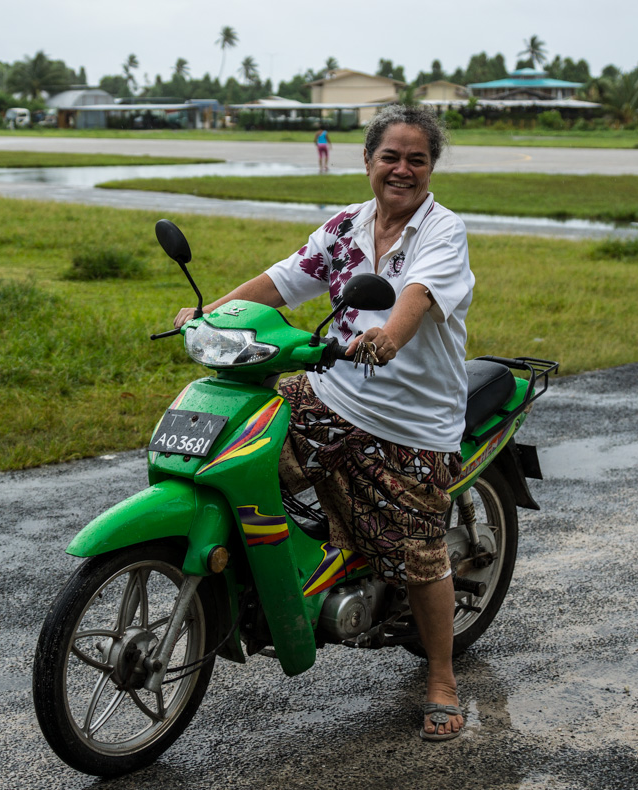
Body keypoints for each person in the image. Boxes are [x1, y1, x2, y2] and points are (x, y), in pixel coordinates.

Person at [174, 105, 474, 741]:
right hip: (328, 392)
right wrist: (208, 313)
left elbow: (416, 295)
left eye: (416, 158)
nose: (402, 169)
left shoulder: (442, 232)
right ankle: (296, 579)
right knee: (233, 462)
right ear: (367, 162)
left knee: (420, 552)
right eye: (389, 156)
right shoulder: (344, 227)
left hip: (407, 420)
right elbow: (283, 282)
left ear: (430, 168)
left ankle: (442, 677)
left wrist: (389, 336)